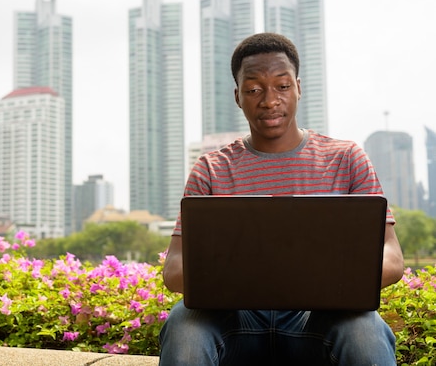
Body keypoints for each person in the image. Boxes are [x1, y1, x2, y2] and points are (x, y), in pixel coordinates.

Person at [159, 32, 404, 365]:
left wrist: (319, 274)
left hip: (317, 322)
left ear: (299, 89)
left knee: (363, 329)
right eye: (254, 89)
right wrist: (254, 273)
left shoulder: (347, 159)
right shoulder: (211, 169)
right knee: (185, 325)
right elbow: (174, 269)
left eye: (282, 86)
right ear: (237, 96)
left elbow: (392, 257)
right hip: (237, 324)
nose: (269, 100)